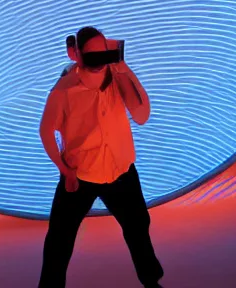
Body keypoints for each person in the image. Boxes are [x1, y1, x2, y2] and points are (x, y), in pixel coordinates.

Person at [38, 26, 164, 287]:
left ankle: (151, 282)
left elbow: (142, 115)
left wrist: (122, 67)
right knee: (59, 240)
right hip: (81, 175)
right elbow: (45, 131)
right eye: (92, 58)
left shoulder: (117, 78)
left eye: (102, 56)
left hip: (121, 173)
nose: (98, 65)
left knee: (138, 228)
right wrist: (65, 171)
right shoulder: (64, 90)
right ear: (77, 55)